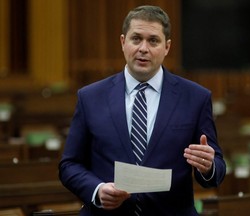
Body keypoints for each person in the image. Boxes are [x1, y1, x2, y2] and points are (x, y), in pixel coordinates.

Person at [59, 5, 226, 216]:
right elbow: (69, 165)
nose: (143, 48)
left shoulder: (195, 98)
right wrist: (97, 190)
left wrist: (208, 166)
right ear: (123, 42)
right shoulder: (90, 97)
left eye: (153, 40)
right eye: (136, 39)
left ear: (167, 47)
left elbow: (217, 169)